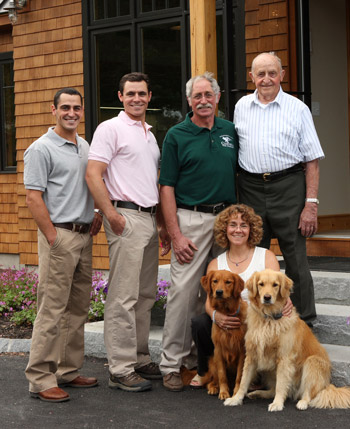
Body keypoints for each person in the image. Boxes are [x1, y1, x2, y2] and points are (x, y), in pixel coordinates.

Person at [85, 72, 169, 393]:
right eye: (130, 93)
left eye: (142, 94)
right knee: (123, 295)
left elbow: (153, 183)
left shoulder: (149, 133)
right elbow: (94, 174)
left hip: (148, 218)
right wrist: (110, 213)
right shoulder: (110, 129)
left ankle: (139, 356)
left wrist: (161, 224)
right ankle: (119, 368)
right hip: (125, 217)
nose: (137, 99)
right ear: (120, 97)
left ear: (149, 97)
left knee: (146, 294)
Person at [159, 72, 238, 392]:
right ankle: (170, 363)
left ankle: (195, 362)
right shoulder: (177, 135)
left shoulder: (229, 130)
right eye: (197, 96)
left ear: (217, 98)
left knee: (216, 292)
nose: (203, 100)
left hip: (226, 221)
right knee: (183, 292)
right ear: (189, 101)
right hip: (191, 219)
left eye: (209, 94)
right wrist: (175, 234)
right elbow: (166, 187)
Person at [234, 52, 325, 326]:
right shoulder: (241, 107)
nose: (266, 79)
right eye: (260, 74)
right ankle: (255, 320)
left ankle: (305, 321)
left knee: (296, 260)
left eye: (272, 73)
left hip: (288, 187)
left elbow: (312, 161)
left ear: (282, 75)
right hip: (250, 187)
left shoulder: (298, 109)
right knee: (253, 257)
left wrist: (311, 204)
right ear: (251, 77)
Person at [24, 88, 102, 403]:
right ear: (53, 110)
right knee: (52, 309)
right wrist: (52, 236)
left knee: (77, 307)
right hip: (60, 236)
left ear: (82, 112)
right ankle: (41, 378)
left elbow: (92, 182)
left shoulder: (84, 145)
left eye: (77, 108)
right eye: (65, 107)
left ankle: (67, 370)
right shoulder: (40, 149)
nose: (71, 113)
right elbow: (33, 197)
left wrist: (96, 211)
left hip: (83, 236)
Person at [190, 203, 291, 388]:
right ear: (224, 229)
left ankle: (257, 374)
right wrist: (216, 316)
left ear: (251, 230)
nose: (238, 230)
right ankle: (205, 371)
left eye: (244, 225)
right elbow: (208, 303)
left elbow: (279, 292)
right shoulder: (216, 263)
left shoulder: (266, 256)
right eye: (233, 225)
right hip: (227, 318)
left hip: (257, 319)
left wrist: (287, 301)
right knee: (200, 324)